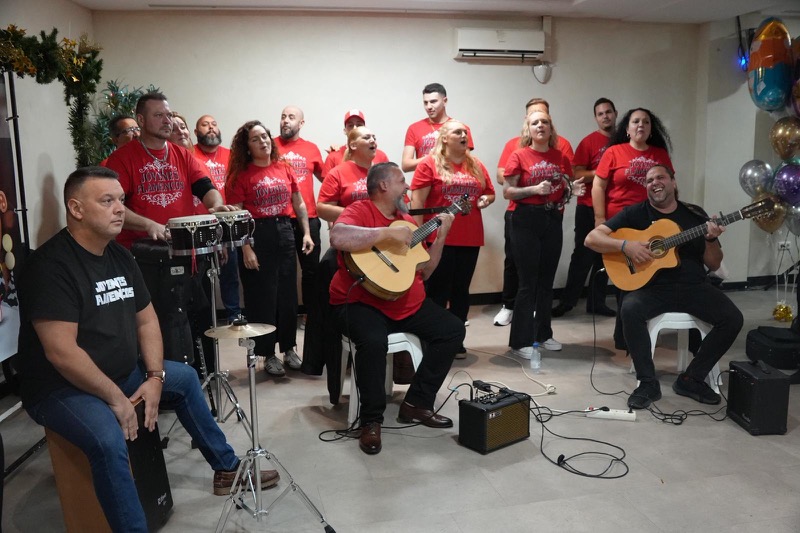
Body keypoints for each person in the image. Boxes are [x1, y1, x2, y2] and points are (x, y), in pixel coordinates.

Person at [16, 166, 278, 533]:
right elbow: (62, 353)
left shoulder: (120, 257)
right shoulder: (50, 266)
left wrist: (155, 377)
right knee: (108, 439)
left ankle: (226, 468)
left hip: (121, 373)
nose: (120, 209)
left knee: (184, 378)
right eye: (107, 201)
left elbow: (146, 320)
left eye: (121, 200)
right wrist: (116, 398)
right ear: (76, 209)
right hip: (61, 387)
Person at [329, 162, 465, 455]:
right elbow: (338, 237)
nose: (407, 187)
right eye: (402, 181)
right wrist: (385, 235)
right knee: (373, 341)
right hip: (359, 302)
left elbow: (425, 271)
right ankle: (371, 421)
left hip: (406, 303)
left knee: (452, 330)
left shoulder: (408, 222)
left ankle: (417, 403)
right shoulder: (361, 210)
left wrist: (441, 237)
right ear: (383, 186)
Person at [585, 164, 743, 409]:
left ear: (673, 182)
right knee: (629, 309)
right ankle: (647, 382)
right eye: (649, 180)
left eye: (660, 177)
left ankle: (692, 378)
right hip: (652, 288)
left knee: (733, 319)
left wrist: (710, 238)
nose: (654, 183)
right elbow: (591, 238)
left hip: (694, 287)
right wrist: (626, 246)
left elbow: (714, 262)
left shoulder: (695, 215)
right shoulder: (635, 213)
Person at [105, 92, 233, 376]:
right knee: (154, 323)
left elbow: (205, 187)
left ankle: (197, 377)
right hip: (143, 258)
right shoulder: (122, 159)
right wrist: (147, 224)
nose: (168, 121)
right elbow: (114, 207)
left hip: (184, 254)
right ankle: (157, 382)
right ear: (141, 120)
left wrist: (216, 205)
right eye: (158, 115)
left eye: (169, 114)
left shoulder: (182, 155)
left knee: (190, 318)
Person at [225, 120, 314, 377]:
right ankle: (267, 354)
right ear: (247, 146)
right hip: (256, 235)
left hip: (284, 231)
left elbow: (298, 202)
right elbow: (237, 217)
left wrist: (306, 233)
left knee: (287, 295)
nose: (263, 141)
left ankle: (288, 348)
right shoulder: (241, 174)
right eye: (255, 139)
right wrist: (246, 249)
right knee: (262, 297)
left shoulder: (283, 167)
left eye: (265, 136)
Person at [591, 107, 674, 350]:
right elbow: (598, 186)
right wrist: (599, 219)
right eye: (635, 122)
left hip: (651, 223)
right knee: (624, 280)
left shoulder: (660, 154)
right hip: (621, 222)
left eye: (646, 122)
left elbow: (671, 187)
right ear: (626, 129)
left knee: (648, 276)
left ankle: (638, 333)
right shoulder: (614, 152)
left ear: (651, 129)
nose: (641, 125)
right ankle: (625, 336)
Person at [410, 120, 494, 356]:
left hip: (470, 236)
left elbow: (489, 193)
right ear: (445, 138)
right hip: (439, 238)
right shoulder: (429, 164)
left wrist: (486, 200)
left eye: (465, 131)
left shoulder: (475, 164)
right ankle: (434, 339)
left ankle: (455, 340)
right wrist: (421, 237)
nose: (464, 135)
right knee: (437, 291)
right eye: (458, 132)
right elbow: (417, 202)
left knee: (461, 292)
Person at [494, 98, 573, 327]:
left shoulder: (560, 154)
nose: (540, 125)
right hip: (523, 216)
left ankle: (543, 334)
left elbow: (566, 182)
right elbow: (506, 189)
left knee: (546, 280)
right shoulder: (517, 152)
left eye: (544, 120)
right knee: (523, 277)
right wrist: (534, 189)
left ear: (551, 125)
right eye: (535, 120)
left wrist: (571, 189)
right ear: (527, 125)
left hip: (551, 217)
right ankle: (519, 333)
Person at [552, 98, 618, 318]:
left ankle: (596, 302)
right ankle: (568, 302)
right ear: (596, 118)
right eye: (600, 113)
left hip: (614, 208)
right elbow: (577, 173)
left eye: (608, 112)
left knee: (606, 257)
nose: (605, 116)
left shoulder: (623, 141)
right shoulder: (589, 142)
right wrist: (602, 172)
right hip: (588, 206)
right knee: (582, 255)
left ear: (615, 114)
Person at [274, 106, 323, 334]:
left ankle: (312, 316)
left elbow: (328, 179)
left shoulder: (311, 149)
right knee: (282, 274)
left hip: (308, 220)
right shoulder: (270, 147)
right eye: (283, 117)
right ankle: (283, 322)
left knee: (312, 273)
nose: (285, 121)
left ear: (301, 123)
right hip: (280, 220)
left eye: (291, 117)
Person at [192, 114, 242, 323]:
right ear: (196, 133)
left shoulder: (231, 156)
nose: (211, 128)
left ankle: (233, 315)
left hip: (226, 221)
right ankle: (204, 318)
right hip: (199, 223)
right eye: (205, 125)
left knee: (229, 272)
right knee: (202, 275)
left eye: (214, 124)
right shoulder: (190, 155)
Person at [401, 83, 474, 172]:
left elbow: (465, 162)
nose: (429, 107)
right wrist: (432, 157)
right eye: (425, 103)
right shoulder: (414, 128)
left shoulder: (461, 129)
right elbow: (406, 165)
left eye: (433, 102)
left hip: (451, 181)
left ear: (445, 101)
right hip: (425, 182)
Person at [317, 126, 383, 222]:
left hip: (382, 232)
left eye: (374, 138)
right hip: (349, 232)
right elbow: (322, 209)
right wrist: (357, 214)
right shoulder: (337, 173)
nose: (372, 140)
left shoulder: (382, 172)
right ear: (353, 145)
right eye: (366, 137)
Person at [321, 110, 389, 180]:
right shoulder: (333, 157)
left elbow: (388, 183)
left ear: (365, 128)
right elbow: (328, 186)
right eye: (350, 125)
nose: (355, 128)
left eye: (359, 125)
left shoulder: (381, 156)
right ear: (345, 130)